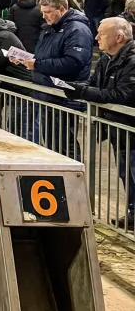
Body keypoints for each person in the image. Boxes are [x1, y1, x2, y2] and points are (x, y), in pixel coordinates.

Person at [62, 17, 135, 230]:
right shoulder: (107, 58)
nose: (96, 37)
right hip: (118, 131)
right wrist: (76, 87)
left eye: (102, 33)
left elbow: (124, 94)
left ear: (119, 37)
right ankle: (132, 212)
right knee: (125, 174)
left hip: (130, 128)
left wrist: (84, 92)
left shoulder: (131, 61)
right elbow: (95, 84)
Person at [13, 0, 93, 153]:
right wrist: (28, 60)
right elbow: (47, 57)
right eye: (42, 12)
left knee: (64, 147)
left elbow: (73, 62)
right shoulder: (51, 29)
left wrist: (37, 64)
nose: (43, 16)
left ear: (62, 9)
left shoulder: (77, 30)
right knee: (51, 145)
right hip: (47, 94)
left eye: (48, 12)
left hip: (63, 97)